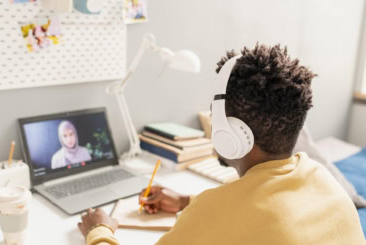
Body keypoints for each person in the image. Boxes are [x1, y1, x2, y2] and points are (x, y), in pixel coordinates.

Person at [78, 44, 366, 244]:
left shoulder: (211, 213)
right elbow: (258, 215)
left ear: (233, 134)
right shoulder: (323, 180)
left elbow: (238, 215)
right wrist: (184, 201)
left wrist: (100, 230)